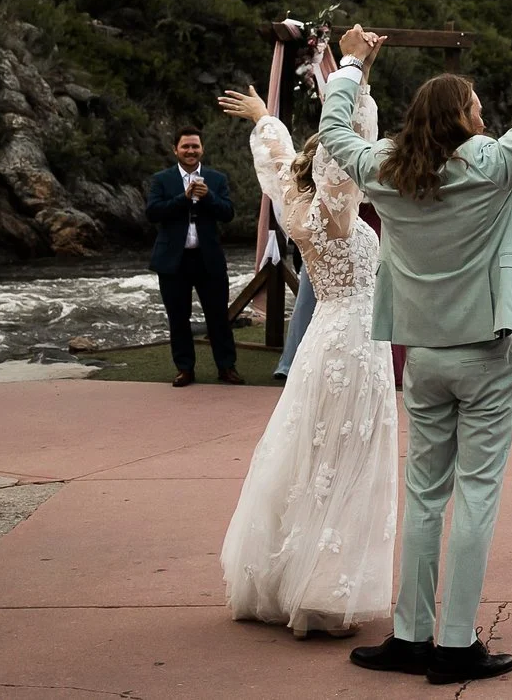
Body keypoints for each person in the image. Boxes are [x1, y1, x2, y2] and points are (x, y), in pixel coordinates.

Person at [317, 0, 512, 686]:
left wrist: (351, 64)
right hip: (483, 355)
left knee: (424, 495)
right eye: (477, 104)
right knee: (475, 496)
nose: (485, 113)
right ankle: (455, 644)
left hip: (421, 357)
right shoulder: (488, 166)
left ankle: (410, 634)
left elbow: (332, 135)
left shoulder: (385, 168)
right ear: (460, 117)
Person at [214, 79, 397, 635]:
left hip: (328, 337)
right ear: (335, 170)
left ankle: (289, 574)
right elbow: (339, 150)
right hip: (355, 342)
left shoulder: (298, 209)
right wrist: (356, 74)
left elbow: (278, 159)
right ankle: (318, 589)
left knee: (312, 457)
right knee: (344, 459)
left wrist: (262, 118)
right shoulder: (339, 216)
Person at [147, 126, 242, 387]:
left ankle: (226, 367)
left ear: (202, 149)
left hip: (208, 258)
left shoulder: (217, 178)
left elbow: (228, 213)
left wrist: (208, 196)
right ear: (175, 149)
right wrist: (183, 198)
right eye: (185, 147)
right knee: (178, 318)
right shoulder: (162, 179)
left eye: (195, 146)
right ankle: (185, 369)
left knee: (218, 317)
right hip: (173, 260)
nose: (190, 151)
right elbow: (153, 212)